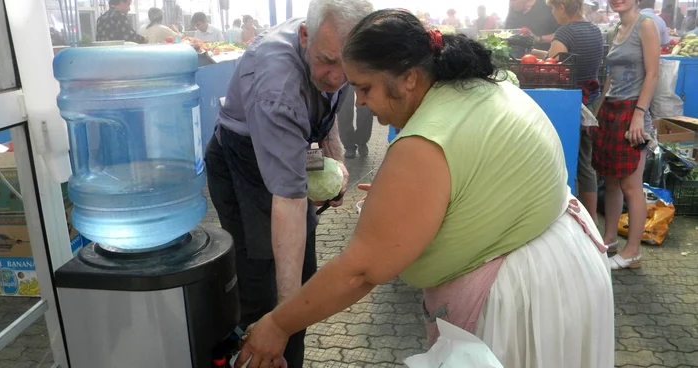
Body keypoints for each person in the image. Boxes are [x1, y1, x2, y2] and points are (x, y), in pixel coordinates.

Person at [235, 9, 614, 368]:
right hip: (564, 265)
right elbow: (478, 181)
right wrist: (401, 206)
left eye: (365, 88)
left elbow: (361, 271)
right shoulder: (479, 89)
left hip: (523, 297)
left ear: (410, 77)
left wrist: (279, 324)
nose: (362, 103)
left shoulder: (423, 143)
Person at [204, 0, 374, 367]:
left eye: (347, 68)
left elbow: (326, 113)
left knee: (301, 271)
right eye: (328, 62)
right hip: (241, 160)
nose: (336, 77)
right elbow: (290, 202)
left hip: (289, 149)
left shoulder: (334, 46)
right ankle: (259, 352)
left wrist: (338, 166)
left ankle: (286, 351)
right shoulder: (277, 88)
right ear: (304, 36)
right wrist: (283, 320)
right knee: (263, 284)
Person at [593, 0, 660, 269]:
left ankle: (632, 251)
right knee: (610, 181)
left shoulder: (646, 25)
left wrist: (639, 114)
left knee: (631, 186)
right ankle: (609, 239)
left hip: (634, 110)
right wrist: (598, 110)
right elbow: (611, 74)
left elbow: (653, 74)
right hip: (611, 109)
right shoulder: (616, 30)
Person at [535, 0, 604, 223]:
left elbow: (551, 65)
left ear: (562, 8)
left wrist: (536, 56)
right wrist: (533, 49)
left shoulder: (565, 32)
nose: (553, 14)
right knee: (586, 162)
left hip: (568, 104)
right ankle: (592, 220)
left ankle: (564, 218)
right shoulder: (594, 30)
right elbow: (564, 56)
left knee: (562, 158)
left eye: (553, 9)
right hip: (590, 101)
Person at [337, 85, 373, 158]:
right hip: (343, 76)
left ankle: (362, 141)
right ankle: (349, 145)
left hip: (364, 74)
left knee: (365, 108)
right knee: (344, 109)